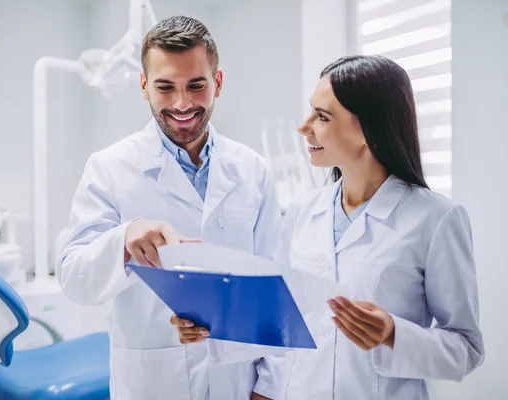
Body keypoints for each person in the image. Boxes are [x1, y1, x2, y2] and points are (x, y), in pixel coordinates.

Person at [171, 54, 485, 399]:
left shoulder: (435, 219)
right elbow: (283, 319)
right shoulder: (304, 211)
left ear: (369, 128)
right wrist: (210, 325)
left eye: (322, 117)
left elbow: (466, 348)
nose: (304, 127)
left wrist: (394, 334)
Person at [56, 15, 286, 400]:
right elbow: (75, 278)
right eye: (165, 88)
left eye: (196, 85)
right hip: (153, 383)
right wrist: (124, 240)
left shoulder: (252, 170)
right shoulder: (109, 168)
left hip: (238, 382)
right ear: (144, 86)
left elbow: (276, 287)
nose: (183, 104)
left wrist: (269, 387)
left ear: (218, 83)